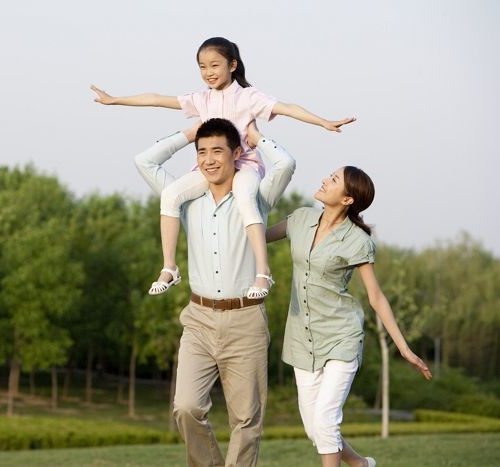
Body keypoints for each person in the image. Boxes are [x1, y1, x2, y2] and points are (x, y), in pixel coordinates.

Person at [92, 36, 354, 299]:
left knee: (245, 198)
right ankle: (170, 267)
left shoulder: (249, 97)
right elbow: (157, 99)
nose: (208, 73)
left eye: (214, 65)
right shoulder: (201, 99)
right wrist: (115, 100)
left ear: (232, 65)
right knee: (170, 195)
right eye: (202, 67)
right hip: (209, 170)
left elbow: (286, 108)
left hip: (245, 168)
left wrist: (323, 122)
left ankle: (263, 272)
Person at [135, 117, 295, 467]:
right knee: (186, 407)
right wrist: (187, 134)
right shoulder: (186, 197)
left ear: (236, 153)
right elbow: (144, 161)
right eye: (202, 151)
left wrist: (257, 137)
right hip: (199, 319)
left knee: (246, 420)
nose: (209, 159)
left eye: (217, 151)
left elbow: (286, 164)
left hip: (246, 320)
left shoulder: (256, 196)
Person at [265, 166, 433, 467]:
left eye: (333, 180)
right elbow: (255, 236)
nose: (324, 180)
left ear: (347, 200)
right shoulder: (300, 219)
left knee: (326, 420)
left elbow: (376, 296)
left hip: (341, 335)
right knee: (314, 428)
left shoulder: (358, 240)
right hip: (301, 338)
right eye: (328, 176)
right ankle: (360, 464)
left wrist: (404, 348)